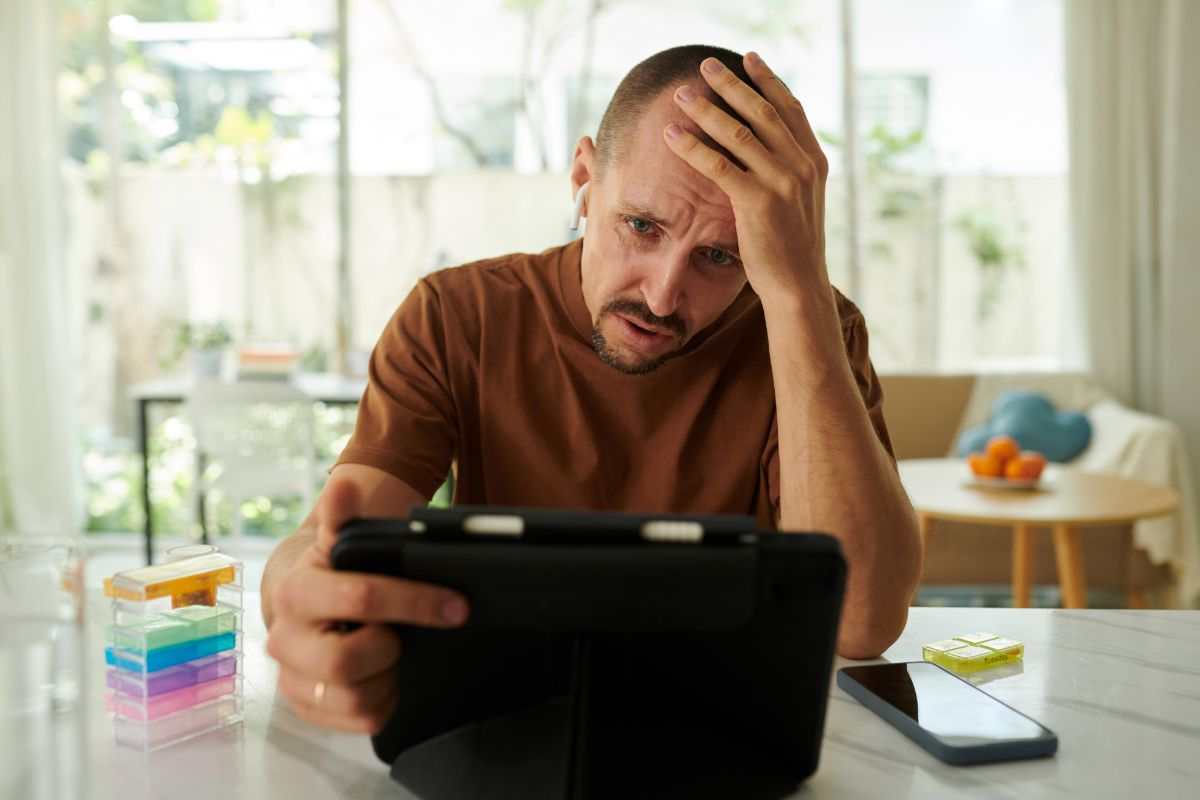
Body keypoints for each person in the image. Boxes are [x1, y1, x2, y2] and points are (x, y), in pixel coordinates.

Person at [262, 44, 922, 734]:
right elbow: (325, 546)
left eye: (720, 256)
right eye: (642, 226)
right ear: (584, 179)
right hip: (505, 717)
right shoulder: (460, 314)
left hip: (723, 724)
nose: (664, 296)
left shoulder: (809, 323)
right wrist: (293, 593)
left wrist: (796, 290)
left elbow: (861, 623)